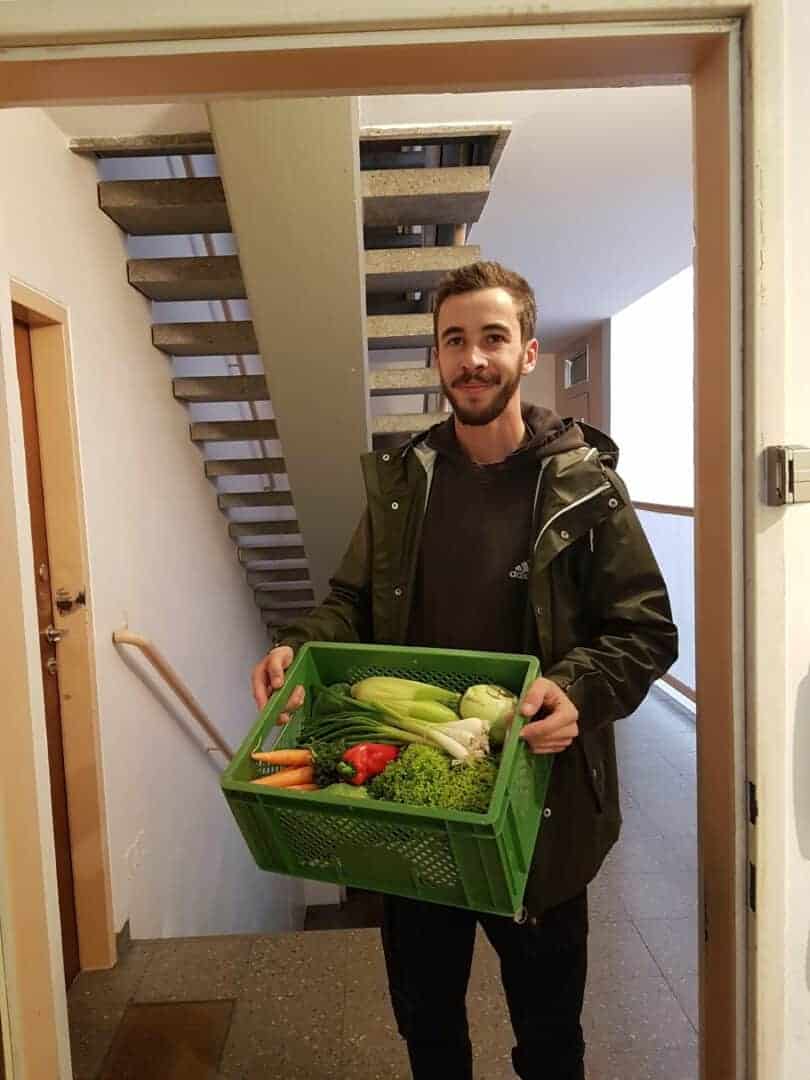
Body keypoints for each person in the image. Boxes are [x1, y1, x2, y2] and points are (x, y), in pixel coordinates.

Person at [251, 261, 677, 1080]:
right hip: (416, 809)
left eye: (492, 338)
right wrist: (298, 646)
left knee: (550, 1040)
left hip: (541, 815)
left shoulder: (584, 486)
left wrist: (577, 689)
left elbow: (645, 630)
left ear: (526, 352)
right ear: (437, 358)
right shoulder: (405, 485)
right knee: (429, 1028)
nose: (472, 358)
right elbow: (349, 601)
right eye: (454, 341)